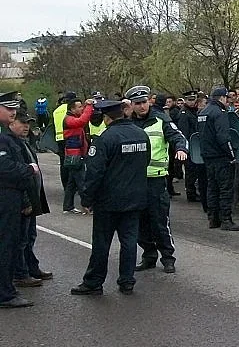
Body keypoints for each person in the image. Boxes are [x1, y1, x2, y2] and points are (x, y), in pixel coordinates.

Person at [71, 99, 151, 296]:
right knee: (129, 242)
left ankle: (94, 282)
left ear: (106, 118)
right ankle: (127, 281)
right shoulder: (141, 134)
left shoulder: (105, 138)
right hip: (135, 199)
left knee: (101, 243)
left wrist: (87, 199)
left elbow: (94, 172)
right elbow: (146, 161)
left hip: (108, 201)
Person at [126, 85, 188, 274]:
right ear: (132, 105)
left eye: (144, 102)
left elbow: (178, 137)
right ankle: (149, 255)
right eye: (138, 103)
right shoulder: (127, 123)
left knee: (160, 221)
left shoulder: (161, 119)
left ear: (149, 102)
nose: (142, 106)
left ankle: (168, 257)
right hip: (135, 181)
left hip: (156, 181)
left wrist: (180, 149)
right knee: (140, 222)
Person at [0, 92, 40, 308]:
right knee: (6, 244)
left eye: (14, 108)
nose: (13, 112)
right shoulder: (2, 137)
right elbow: (4, 167)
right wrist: (28, 169)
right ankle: (5, 294)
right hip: (5, 196)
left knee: (10, 243)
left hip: (11, 197)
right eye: (8, 108)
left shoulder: (7, 135)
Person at [9, 109, 51, 288]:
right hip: (23, 199)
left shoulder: (24, 142)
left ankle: (31, 267)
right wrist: (26, 201)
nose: (26, 127)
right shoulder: (12, 145)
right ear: (12, 123)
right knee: (21, 239)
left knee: (30, 236)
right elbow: (19, 175)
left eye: (28, 123)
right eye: (23, 123)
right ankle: (20, 273)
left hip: (32, 196)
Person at [198, 86, 239, 231]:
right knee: (225, 189)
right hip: (220, 156)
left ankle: (213, 218)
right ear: (222, 98)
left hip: (207, 155)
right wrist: (231, 154)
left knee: (212, 187)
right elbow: (223, 137)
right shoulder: (219, 113)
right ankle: (226, 220)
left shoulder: (203, 112)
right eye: (227, 98)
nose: (228, 101)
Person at [62, 95, 95, 214]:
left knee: (72, 183)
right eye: (79, 107)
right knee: (81, 182)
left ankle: (68, 206)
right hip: (75, 156)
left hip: (75, 154)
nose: (82, 109)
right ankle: (87, 206)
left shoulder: (71, 118)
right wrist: (89, 106)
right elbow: (82, 120)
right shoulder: (69, 119)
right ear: (72, 109)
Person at [176, 91, 206, 209]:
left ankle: (193, 191)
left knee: (194, 170)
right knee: (190, 170)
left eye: (194, 99)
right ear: (185, 100)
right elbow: (184, 132)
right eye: (190, 100)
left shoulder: (193, 112)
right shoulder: (184, 113)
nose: (192, 102)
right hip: (190, 145)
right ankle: (191, 193)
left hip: (195, 145)